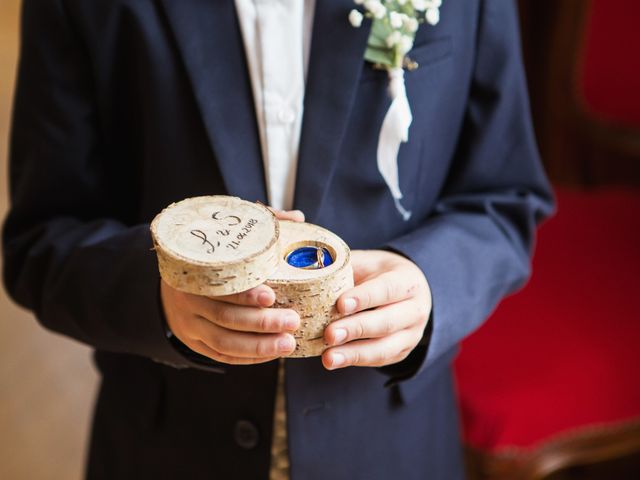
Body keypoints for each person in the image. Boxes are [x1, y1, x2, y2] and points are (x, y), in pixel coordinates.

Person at [2, 0, 553, 479]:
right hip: (171, 445)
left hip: (388, 443)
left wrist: (432, 282)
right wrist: (161, 298)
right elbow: (40, 242)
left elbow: (505, 197)